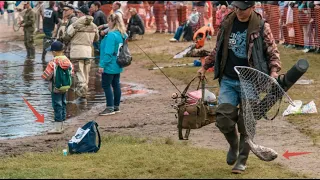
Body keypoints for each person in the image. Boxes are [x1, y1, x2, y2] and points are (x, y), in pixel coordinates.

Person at [197, 1, 281, 174]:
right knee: (223, 118)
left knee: (246, 121)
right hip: (228, 79)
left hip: (250, 80)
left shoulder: (261, 26)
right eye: (236, 7)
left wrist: (274, 71)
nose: (238, 11)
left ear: (251, 7)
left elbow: (272, 51)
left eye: (242, 8)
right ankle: (233, 144)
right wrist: (205, 66)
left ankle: (242, 159)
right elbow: (218, 49)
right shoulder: (227, 23)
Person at [64, 5, 99, 102]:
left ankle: (82, 95)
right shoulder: (94, 26)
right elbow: (96, 39)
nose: (77, 14)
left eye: (78, 12)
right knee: (86, 73)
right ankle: (84, 94)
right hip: (88, 52)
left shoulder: (75, 25)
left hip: (76, 52)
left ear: (81, 13)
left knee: (79, 73)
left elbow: (67, 37)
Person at [41, 40, 74, 134]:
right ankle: (63, 124)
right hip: (66, 86)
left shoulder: (53, 62)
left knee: (57, 105)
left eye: (51, 51)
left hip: (55, 88)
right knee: (63, 103)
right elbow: (72, 73)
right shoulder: (68, 61)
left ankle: (57, 128)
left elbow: (46, 76)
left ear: (54, 52)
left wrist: (43, 77)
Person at [98, 13, 127, 116]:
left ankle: (109, 107)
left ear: (113, 22)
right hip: (118, 63)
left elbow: (108, 53)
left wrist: (102, 65)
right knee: (116, 84)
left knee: (106, 85)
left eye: (109, 21)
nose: (107, 23)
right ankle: (116, 106)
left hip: (110, 64)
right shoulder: (122, 34)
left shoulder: (111, 35)